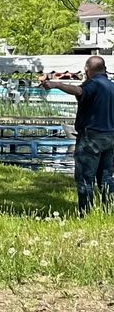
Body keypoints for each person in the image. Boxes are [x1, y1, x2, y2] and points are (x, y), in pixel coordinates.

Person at [42, 56, 114, 214]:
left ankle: (85, 213)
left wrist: (57, 84)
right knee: (107, 177)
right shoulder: (111, 86)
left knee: (85, 178)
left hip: (91, 138)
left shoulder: (93, 83)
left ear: (88, 69)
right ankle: (109, 211)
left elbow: (79, 91)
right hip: (110, 137)